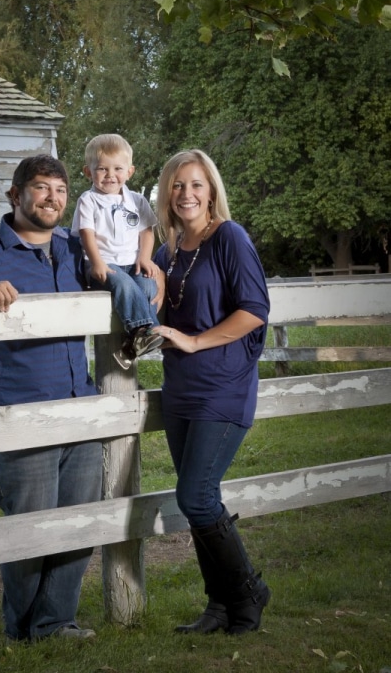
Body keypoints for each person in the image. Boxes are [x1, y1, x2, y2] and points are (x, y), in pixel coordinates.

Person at [0, 154, 102, 642]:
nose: (52, 197)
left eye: (59, 189)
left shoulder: (76, 250)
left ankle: (57, 622)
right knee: (29, 530)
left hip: (81, 405)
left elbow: (113, 278)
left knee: (80, 524)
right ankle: (21, 630)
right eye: (40, 188)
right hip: (22, 411)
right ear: (15, 195)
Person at [152, 149, 271, 636]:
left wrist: (196, 340)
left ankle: (248, 591)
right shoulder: (166, 251)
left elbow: (255, 309)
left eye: (196, 184)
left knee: (196, 496)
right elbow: (158, 308)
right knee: (199, 499)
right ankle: (220, 606)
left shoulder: (229, 238)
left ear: (212, 190)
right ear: (167, 193)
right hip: (180, 386)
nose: (187, 194)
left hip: (222, 384)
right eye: (178, 185)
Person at [71, 133, 163, 370]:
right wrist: (98, 263)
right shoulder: (88, 200)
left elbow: (146, 232)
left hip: (132, 263)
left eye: (118, 169)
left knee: (148, 285)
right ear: (88, 172)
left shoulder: (136, 200)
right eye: (102, 169)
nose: (110, 175)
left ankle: (134, 343)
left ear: (130, 171)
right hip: (101, 264)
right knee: (123, 284)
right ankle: (148, 331)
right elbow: (86, 234)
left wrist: (144, 257)